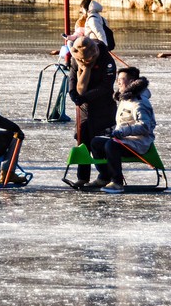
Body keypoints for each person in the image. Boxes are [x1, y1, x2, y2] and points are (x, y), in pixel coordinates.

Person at [91, 67, 156, 194]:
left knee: (111, 145)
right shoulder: (125, 99)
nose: (118, 82)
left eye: (121, 79)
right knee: (96, 142)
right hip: (124, 140)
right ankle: (104, 177)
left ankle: (117, 183)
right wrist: (113, 131)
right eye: (117, 79)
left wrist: (122, 132)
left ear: (131, 82)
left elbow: (145, 126)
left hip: (138, 143)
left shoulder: (140, 103)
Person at [66, 36, 118, 189]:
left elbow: (106, 86)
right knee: (82, 141)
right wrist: (73, 94)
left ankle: (106, 175)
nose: (84, 63)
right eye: (81, 61)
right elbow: (72, 78)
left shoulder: (106, 60)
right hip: (83, 109)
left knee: (100, 143)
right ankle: (82, 177)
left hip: (103, 109)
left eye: (87, 61)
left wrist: (85, 97)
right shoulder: (77, 58)